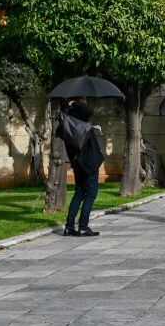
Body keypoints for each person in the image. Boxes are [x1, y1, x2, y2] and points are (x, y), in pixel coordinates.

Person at [59, 98, 105, 237]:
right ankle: (83, 227)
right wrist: (73, 103)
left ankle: (69, 227)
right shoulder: (79, 121)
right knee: (91, 194)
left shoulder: (65, 123)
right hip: (89, 163)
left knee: (79, 192)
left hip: (77, 162)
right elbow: (89, 111)